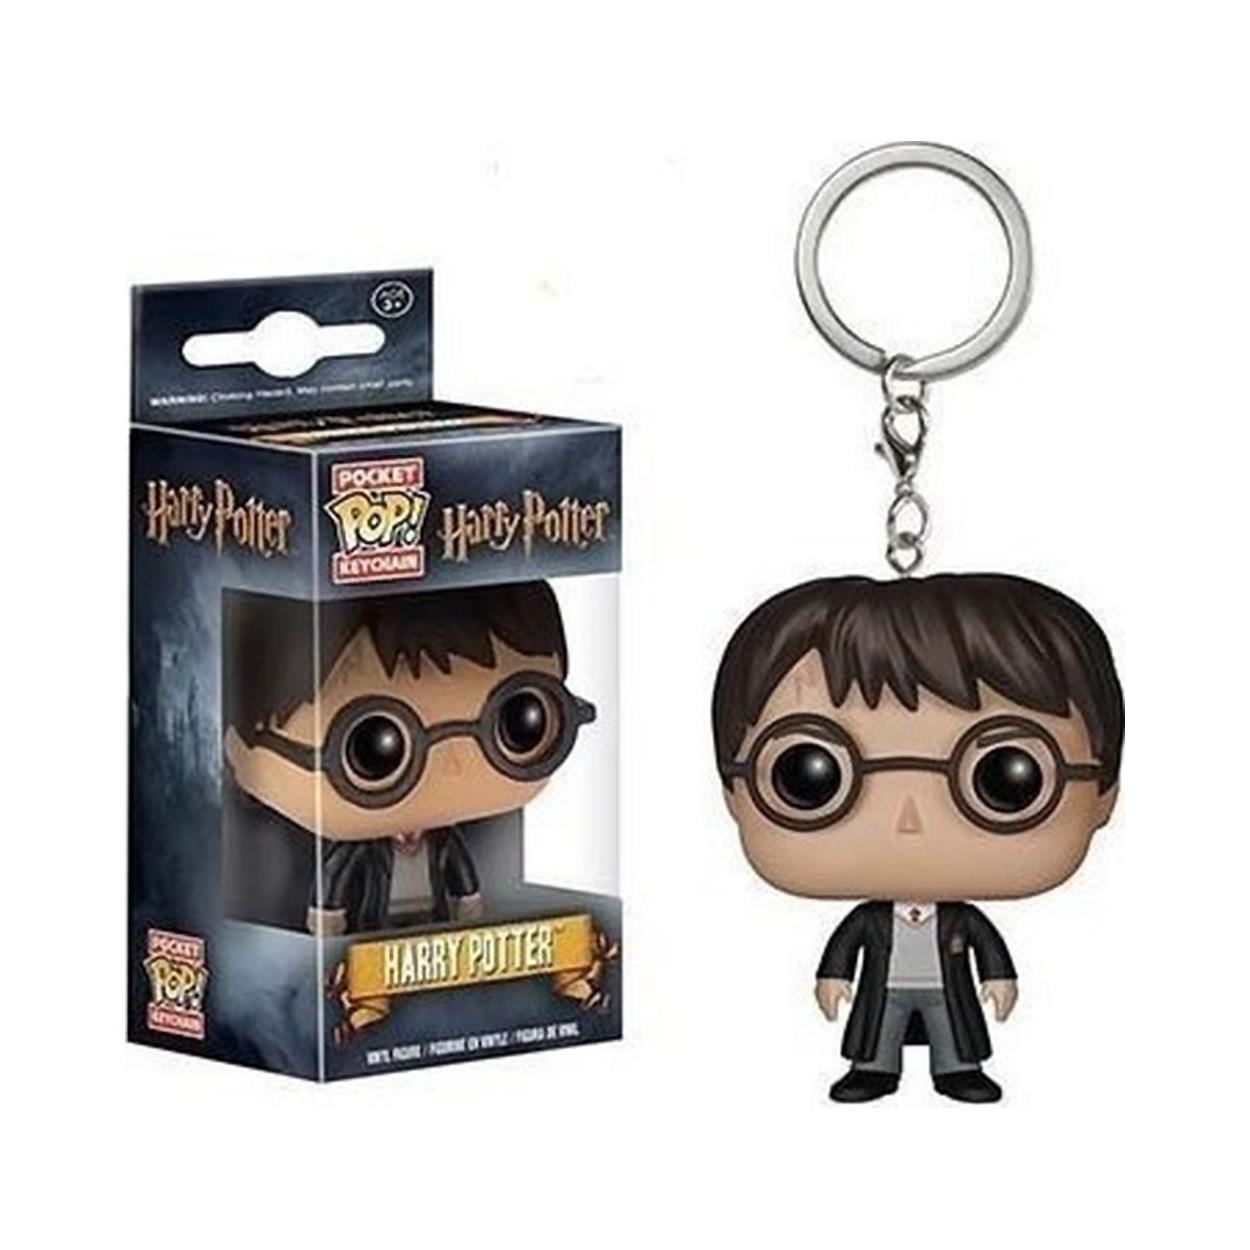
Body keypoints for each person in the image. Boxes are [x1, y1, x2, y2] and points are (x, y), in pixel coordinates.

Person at [712, 574, 1123, 1102]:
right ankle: (873, 1069)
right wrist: (834, 975)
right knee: (877, 1032)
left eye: (1006, 777)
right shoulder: (870, 922)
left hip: (945, 992)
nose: (909, 819)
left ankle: (958, 1069)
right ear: (732, 792)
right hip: (883, 992)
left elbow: (986, 948)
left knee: (955, 1032)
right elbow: (847, 946)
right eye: (810, 776)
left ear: (1105, 792)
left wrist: (999, 977)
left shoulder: (960, 922)